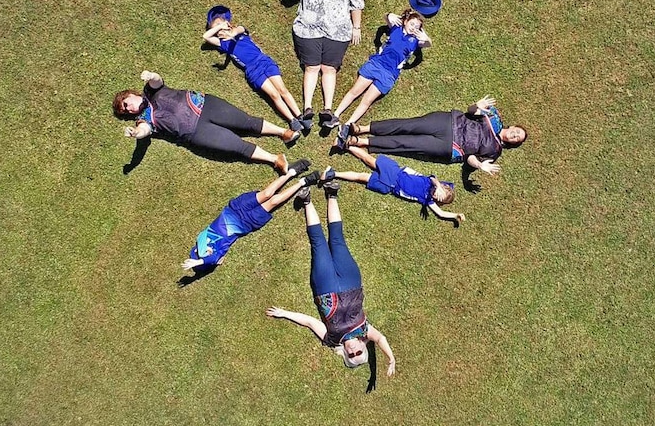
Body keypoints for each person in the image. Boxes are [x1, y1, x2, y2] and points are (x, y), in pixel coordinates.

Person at [265, 180, 395, 378]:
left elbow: (309, 322)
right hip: (351, 281)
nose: (353, 351)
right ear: (363, 346)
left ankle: (307, 201)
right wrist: (391, 358)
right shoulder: (366, 331)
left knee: (317, 243)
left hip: (325, 288)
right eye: (359, 352)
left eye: (351, 356)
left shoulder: (332, 339)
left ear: (346, 355)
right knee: (337, 239)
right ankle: (332, 193)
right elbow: (381, 339)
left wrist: (284, 313)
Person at [113, 71, 299, 174]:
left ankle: (283, 132)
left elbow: (157, 80)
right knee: (236, 146)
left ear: (131, 94)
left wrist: (151, 75)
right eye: (126, 110)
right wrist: (136, 133)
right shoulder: (143, 120)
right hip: (196, 132)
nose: (129, 109)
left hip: (207, 105)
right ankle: (276, 159)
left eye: (126, 104)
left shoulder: (150, 90)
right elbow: (145, 130)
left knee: (246, 122)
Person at [181, 161, 319, 273]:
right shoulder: (219, 251)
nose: (205, 253)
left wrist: (200, 258)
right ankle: (303, 182)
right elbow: (213, 259)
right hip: (247, 223)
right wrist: (201, 261)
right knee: (274, 201)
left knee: (267, 193)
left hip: (235, 209)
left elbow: (201, 240)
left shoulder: (203, 237)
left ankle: (291, 172)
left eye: (200, 254)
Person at [284, 0, 365, 130]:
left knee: (329, 69)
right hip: (308, 30)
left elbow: (357, 3)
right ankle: (307, 108)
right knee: (311, 67)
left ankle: (328, 109)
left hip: (338, 31)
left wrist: (356, 27)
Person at [343, 95, 527, 174]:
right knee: (407, 125)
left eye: (517, 138)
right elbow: (470, 111)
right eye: (517, 131)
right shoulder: (494, 116)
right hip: (448, 122)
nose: (515, 135)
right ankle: (362, 128)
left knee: (407, 145)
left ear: (513, 143)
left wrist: (479, 165)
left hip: (450, 148)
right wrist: (476, 105)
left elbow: (470, 158)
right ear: (513, 127)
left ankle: (361, 141)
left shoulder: (494, 152)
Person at [203, 5, 304, 132]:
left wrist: (231, 31)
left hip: (264, 61)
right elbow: (206, 37)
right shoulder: (222, 44)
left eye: (221, 24)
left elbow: (240, 28)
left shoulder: (240, 32)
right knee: (274, 94)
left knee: (282, 89)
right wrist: (219, 27)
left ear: (228, 23)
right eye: (217, 30)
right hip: (253, 70)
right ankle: (292, 120)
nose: (220, 30)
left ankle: (300, 116)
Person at [328, 9, 431, 130]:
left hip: (389, 74)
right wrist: (389, 15)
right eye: (412, 24)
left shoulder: (415, 41)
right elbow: (387, 18)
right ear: (405, 21)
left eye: (417, 27)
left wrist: (426, 38)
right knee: (354, 91)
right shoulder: (396, 29)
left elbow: (428, 44)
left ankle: (347, 125)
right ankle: (335, 115)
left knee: (367, 100)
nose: (413, 28)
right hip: (376, 64)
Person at [321, 145, 465, 224]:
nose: (436, 196)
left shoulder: (428, 200)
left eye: (438, 199)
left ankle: (333, 174)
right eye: (439, 194)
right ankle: (345, 145)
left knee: (361, 177)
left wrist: (455, 215)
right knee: (369, 159)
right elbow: (434, 179)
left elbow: (440, 213)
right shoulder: (431, 183)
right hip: (395, 172)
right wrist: (438, 186)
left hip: (390, 186)